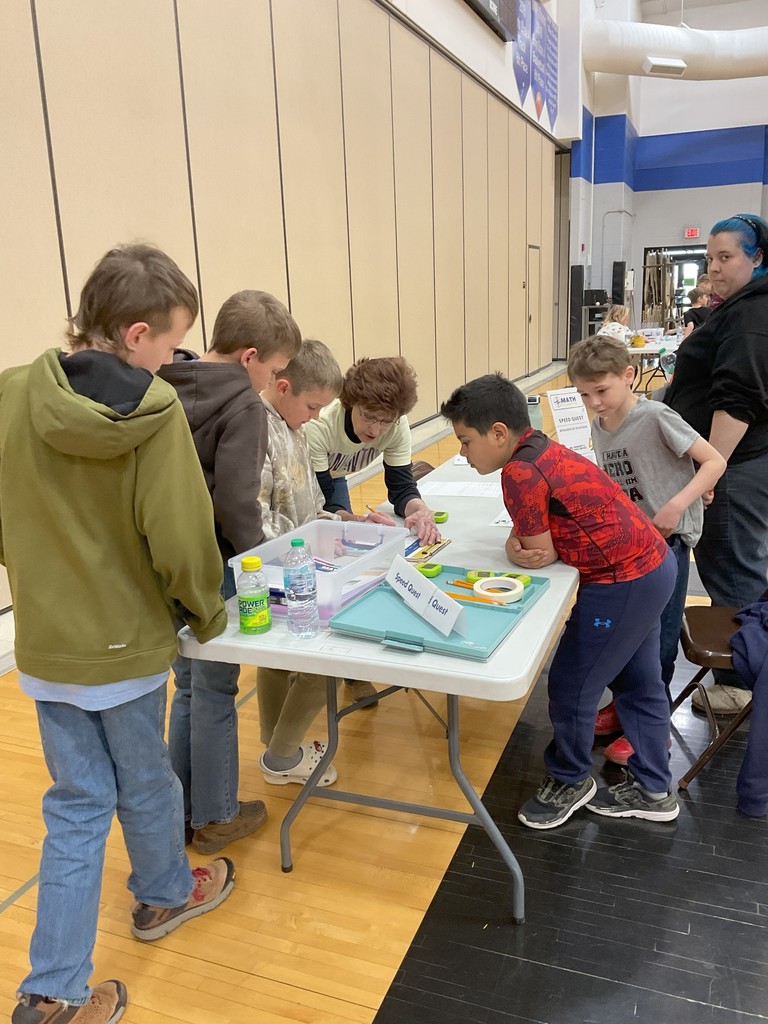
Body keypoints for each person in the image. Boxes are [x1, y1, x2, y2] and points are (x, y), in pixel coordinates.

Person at [2, 245, 234, 1024]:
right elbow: (179, 535)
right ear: (136, 335)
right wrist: (208, 610)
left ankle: (50, 993)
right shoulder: (153, 412)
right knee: (146, 781)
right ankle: (165, 895)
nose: (176, 358)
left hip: (47, 651)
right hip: (128, 650)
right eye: (171, 342)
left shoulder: (8, 397)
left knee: (75, 804)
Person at [441, 373, 679, 829]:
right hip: (654, 564)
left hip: (622, 580)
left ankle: (571, 778)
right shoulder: (539, 445)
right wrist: (524, 540)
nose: (462, 453)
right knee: (640, 682)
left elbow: (537, 551)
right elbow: (539, 533)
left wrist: (518, 546)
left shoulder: (520, 470)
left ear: (497, 433)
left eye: (466, 441)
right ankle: (654, 789)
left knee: (572, 684)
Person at [159, 290, 302, 853]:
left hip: (167, 562)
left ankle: (179, 813)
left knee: (188, 687)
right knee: (217, 689)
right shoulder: (243, 406)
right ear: (249, 357)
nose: (271, 381)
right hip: (218, 566)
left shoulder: (162, 385)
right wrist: (270, 572)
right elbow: (240, 507)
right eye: (272, 369)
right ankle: (216, 814)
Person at [568, 335, 726, 764]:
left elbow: (714, 461)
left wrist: (679, 501)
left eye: (602, 390)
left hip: (668, 546)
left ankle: (651, 729)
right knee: (629, 636)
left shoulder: (656, 415)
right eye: (585, 395)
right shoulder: (600, 428)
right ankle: (625, 708)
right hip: (631, 547)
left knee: (659, 640)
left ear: (629, 375)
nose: (595, 402)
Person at [665, 214, 768, 715]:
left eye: (726, 257)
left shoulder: (751, 314)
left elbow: (738, 399)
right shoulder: (740, 308)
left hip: (735, 467)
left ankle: (741, 681)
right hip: (737, 465)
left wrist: (713, 468)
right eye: (710, 259)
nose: (715, 268)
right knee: (733, 564)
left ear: (758, 257)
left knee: (731, 569)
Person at [306, 355, 440, 705]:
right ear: (351, 404)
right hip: (311, 482)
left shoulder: (396, 426)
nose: (376, 429)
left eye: (386, 421)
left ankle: (352, 669)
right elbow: (321, 505)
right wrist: (351, 521)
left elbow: (401, 487)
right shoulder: (320, 426)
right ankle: (314, 661)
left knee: (355, 563)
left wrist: (418, 510)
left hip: (334, 480)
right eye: (368, 416)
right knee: (330, 550)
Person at [256, 340, 346, 784]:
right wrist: (304, 551)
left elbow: (306, 504)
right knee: (328, 657)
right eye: (311, 406)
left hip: (293, 564)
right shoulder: (258, 429)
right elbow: (257, 514)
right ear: (285, 386)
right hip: (277, 570)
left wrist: (337, 522)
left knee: (282, 661)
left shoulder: (293, 428)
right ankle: (282, 754)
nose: (315, 417)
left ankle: (276, 745)